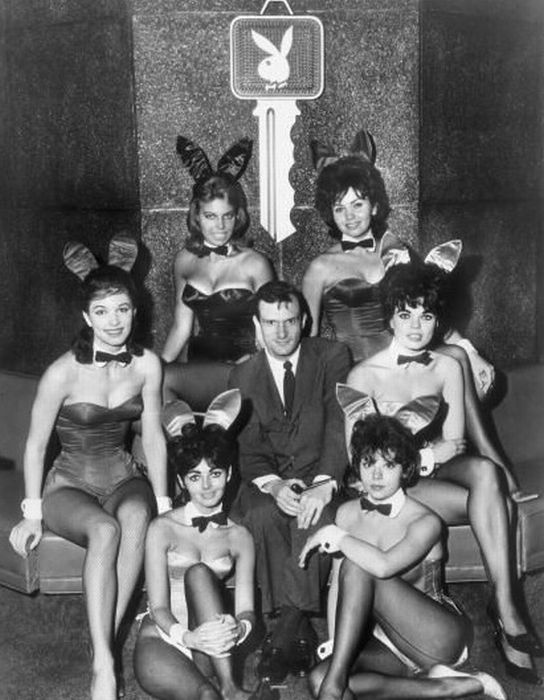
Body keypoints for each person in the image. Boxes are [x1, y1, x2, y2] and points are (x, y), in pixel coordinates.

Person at [345, 258, 542, 685]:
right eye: (405, 314)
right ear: (389, 319)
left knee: (486, 475)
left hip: (430, 476)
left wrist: (426, 456)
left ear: (438, 320)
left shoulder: (448, 366)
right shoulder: (363, 376)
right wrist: (425, 456)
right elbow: (360, 461)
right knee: (496, 499)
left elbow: (455, 445)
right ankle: (508, 616)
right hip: (390, 489)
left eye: (427, 315)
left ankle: (505, 606)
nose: (416, 326)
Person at [9, 234, 169, 700]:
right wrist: (32, 513)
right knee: (104, 530)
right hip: (70, 483)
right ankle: (104, 665)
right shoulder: (62, 372)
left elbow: (153, 436)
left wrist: (162, 503)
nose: (113, 321)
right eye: (102, 311)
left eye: (122, 309)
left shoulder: (148, 365)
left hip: (123, 475)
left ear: (135, 311)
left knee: (136, 516)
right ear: (86, 317)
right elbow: (36, 445)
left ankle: (104, 640)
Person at [299, 408, 506, 700]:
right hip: (387, 641)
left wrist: (337, 537)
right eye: (368, 463)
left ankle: (333, 690)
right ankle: (448, 686)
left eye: (389, 464)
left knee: (358, 567)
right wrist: (336, 646)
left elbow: (383, 567)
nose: (377, 475)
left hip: (439, 636)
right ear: (357, 466)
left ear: (405, 469)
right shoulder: (345, 514)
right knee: (318, 677)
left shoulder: (425, 520)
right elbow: (338, 589)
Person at [228, 280, 352, 684]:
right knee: (262, 516)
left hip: (323, 474)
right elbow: (248, 449)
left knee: (316, 518)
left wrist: (324, 483)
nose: (281, 332)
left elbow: (339, 425)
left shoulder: (332, 356)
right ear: (257, 324)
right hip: (271, 482)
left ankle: (282, 634)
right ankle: (298, 631)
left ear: (304, 321)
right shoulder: (243, 374)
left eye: (290, 321)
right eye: (271, 322)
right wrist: (275, 486)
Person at [133, 389, 260, 700]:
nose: (205, 486)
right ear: (181, 481)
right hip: (164, 637)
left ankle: (230, 686)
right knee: (206, 696)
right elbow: (158, 607)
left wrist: (238, 628)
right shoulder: (161, 528)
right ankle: (226, 691)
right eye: (194, 477)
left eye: (214, 474)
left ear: (229, 474)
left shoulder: (240, 536)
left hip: (213, 645)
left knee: (199, 573)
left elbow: (247, 611)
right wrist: (189, 638)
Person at [162, 135, 274, 410]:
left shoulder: (256, 263)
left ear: (238, 216)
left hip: (245, 365)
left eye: (228, 216)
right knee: (158, 383)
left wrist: (255, 361)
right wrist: (157, 368)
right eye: (211, 216)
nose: (221, 226)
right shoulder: (184, 261)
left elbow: (273, 327)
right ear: (196, 216)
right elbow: (181, 328)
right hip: (199, 365)